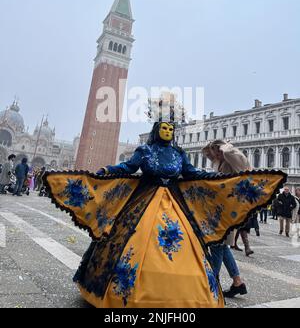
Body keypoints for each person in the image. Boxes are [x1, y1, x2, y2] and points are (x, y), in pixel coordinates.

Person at [44, 122, 285, 309]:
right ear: (157, 130)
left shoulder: (180, 153)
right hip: (143, 201)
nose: (168, 131)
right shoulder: (145, 150)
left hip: (174, 203)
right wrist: (108, 170)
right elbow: (129, 167)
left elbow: (190, 173)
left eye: (171, 128)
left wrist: (221, 180)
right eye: (164, 127)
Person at [203, 141, 250, 298]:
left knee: (217, 244)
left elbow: (242, 164)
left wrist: (224, 147)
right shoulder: (222, 162)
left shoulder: (231, 158)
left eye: (212, 153)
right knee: (222, 247)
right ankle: (238, 282)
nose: (211, 157)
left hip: (226, 210)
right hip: (221, 208)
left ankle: (211, 284)